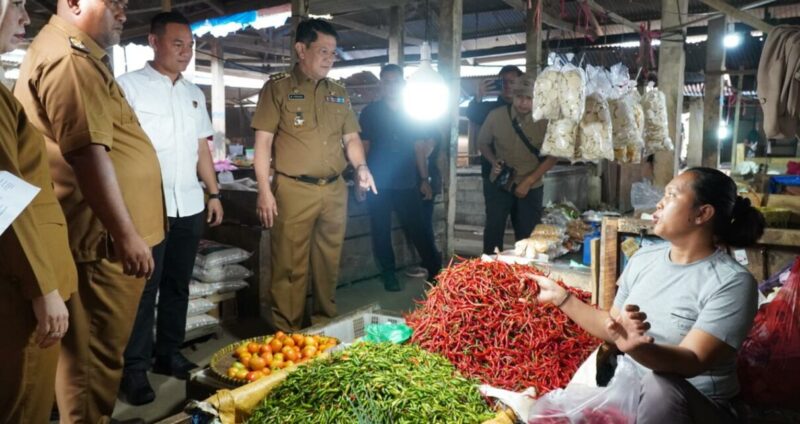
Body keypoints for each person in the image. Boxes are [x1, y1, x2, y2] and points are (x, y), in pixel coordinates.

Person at [15, 0, 167, 421]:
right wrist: (126, 234)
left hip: (102, 238)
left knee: (92, 358)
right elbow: (88, 155)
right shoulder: (69, 59)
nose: (123, 12)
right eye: (114, 2)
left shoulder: (80, 55)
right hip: (100, 243)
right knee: (91, 362)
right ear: (75, 3)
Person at [530, 168, 766, 423]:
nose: (659, 203)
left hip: (700, 407)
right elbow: (613, 326)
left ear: (703, 213)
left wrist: (637, 348)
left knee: (660, 387)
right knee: (551, 411)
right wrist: (561, 297)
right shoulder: (644, 258)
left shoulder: (732, 282)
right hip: (635, 397)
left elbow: (693, 360)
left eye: (672, 195)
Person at [116, 11, 223, 405]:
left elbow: (201, 149)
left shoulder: (193, 92)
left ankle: (168, 353)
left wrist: (214, 193)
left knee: (178, 284)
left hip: (189, 205)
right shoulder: (127, 88)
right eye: (177, 44)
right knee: (143, 290)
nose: (186, 52)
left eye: (190, 46)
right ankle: (134, 369)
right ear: (154, 41)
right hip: (145, 209)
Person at [251, 18, 376, 331]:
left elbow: (352, 139)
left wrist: (361, 167)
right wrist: (264, 191)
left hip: (334, 190)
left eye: (333, 53)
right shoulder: (278, 88)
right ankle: (287, 332)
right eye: (323, 50)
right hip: (294, 190)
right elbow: (263, 143)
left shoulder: (339, 92)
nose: (329, 58)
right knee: (289, 267)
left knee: (328, 263)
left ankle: (323, 326)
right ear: (300, 49)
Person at [0, 1, 77, 422]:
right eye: (16, 6)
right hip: (20, 289)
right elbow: (3, 196)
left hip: (20, 279)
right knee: (24, 403)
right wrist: (42, 288)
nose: (26, 19)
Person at [359, 64, 442, 290]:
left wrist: (424, 180)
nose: (391, 86)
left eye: (395, 81)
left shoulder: (411, 112)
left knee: (418, 227)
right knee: (381, 229)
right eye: (386, 81)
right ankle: (389, 274)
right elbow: (364, 146)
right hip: (378, 182)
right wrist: (361, 177)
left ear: (402, 84)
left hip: (407, 181)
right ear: (381, 84)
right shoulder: (370, 112)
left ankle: (435, 270)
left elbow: (419, 148)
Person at [478, 74, 557, 253]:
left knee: (528, 237)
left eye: (529, 98)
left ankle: (525, 275)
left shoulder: (545, 122)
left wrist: (529, 181)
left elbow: (553, 156)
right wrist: (493, 160)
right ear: (512, 96)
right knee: (493, 231)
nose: (523, 103)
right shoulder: (495, 116)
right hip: (500, 183)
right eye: (519, 97)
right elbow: (482, 143)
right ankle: (489, 273)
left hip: (531, 186)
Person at [466, 66, 523, 240]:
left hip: (523, 174)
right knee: (494, 223)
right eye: (503, 82)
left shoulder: (527, 107)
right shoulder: (488, 108)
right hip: (495, 174)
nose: (507, 86)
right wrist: (478, 96)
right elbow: (472, 114)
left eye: (512, 82)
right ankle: (491, 263)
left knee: (524, 225)